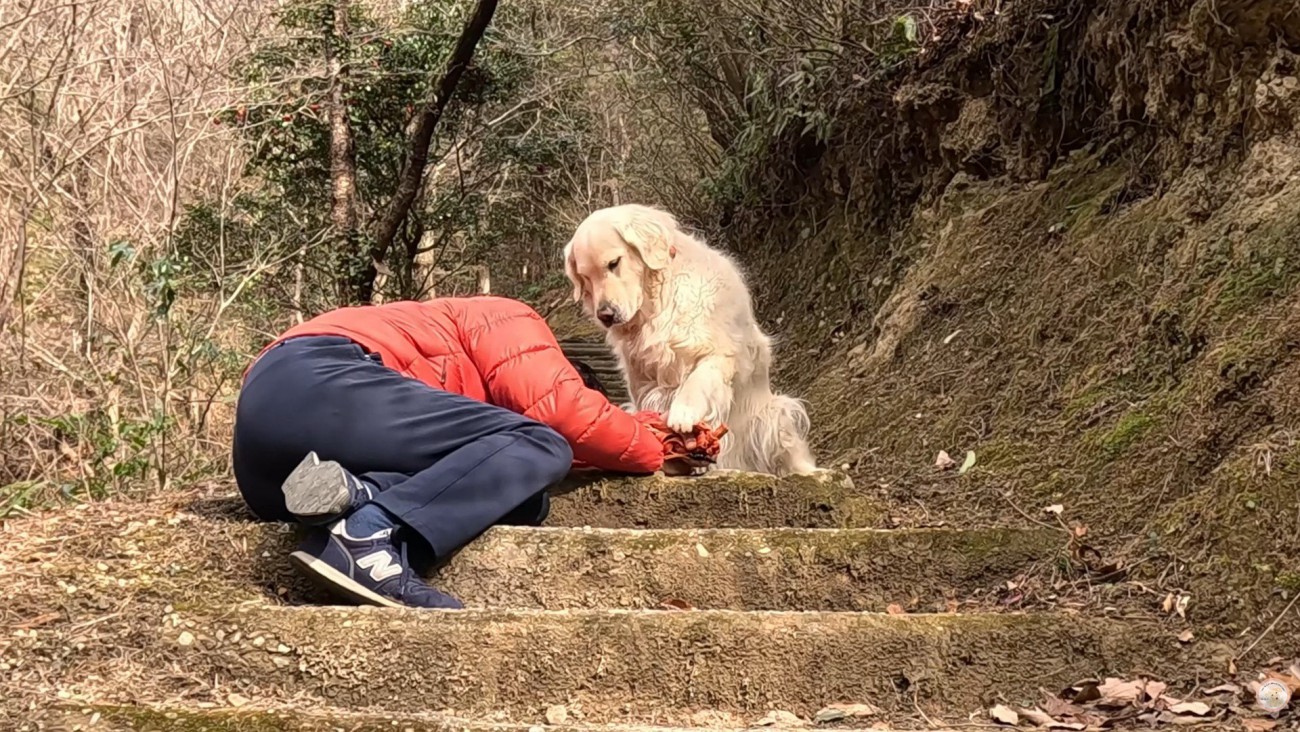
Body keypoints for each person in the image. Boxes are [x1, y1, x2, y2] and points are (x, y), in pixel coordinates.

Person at [231, 295, 689, 610]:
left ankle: (358, 495)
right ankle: (368, 536)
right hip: (325, 373)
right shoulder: (508, 318)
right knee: (543, 443)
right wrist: (654, 446)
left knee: (525, 498)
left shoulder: (458, 411)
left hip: (266, 454)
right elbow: (564, 411)